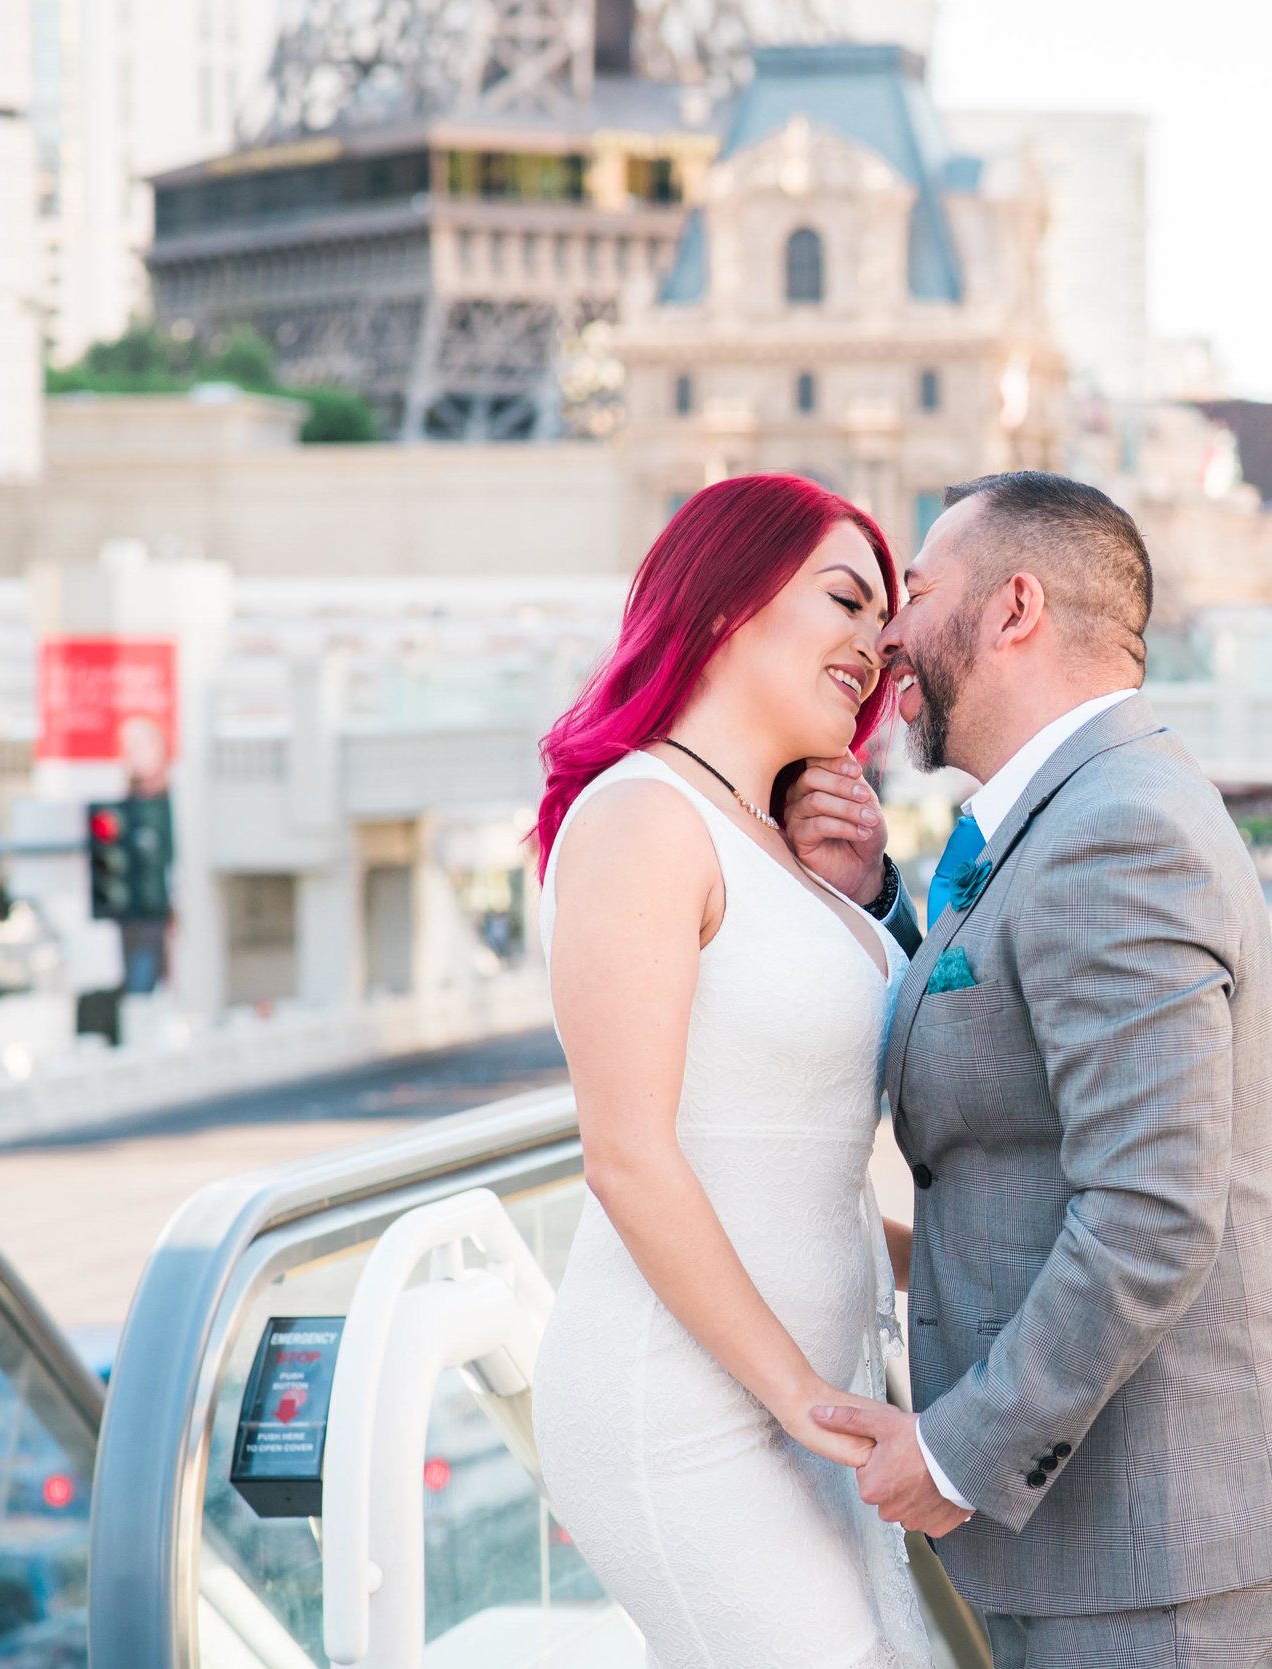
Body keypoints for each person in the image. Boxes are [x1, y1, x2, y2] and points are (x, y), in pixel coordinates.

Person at [810, 472, 1272, 1668]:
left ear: (1014, 608)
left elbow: (1150, 1213)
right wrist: (885, 907)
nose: (893, 634)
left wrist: (958, 1447)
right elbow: (1020, 1040)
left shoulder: (1116, 828)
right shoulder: (1068, 814)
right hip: (1102, 1544)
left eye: (915, 592)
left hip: (1154, 1549)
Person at [529, 472, 935, 1667]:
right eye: (845, 600)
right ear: (722, 601)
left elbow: (803, 1165)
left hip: (814, 1401)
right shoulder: (643, 818)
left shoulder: (788, 851)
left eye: (885, 618)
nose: (876, 640)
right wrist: (802, 1403)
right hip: (689, 1405)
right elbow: (631, 1159)